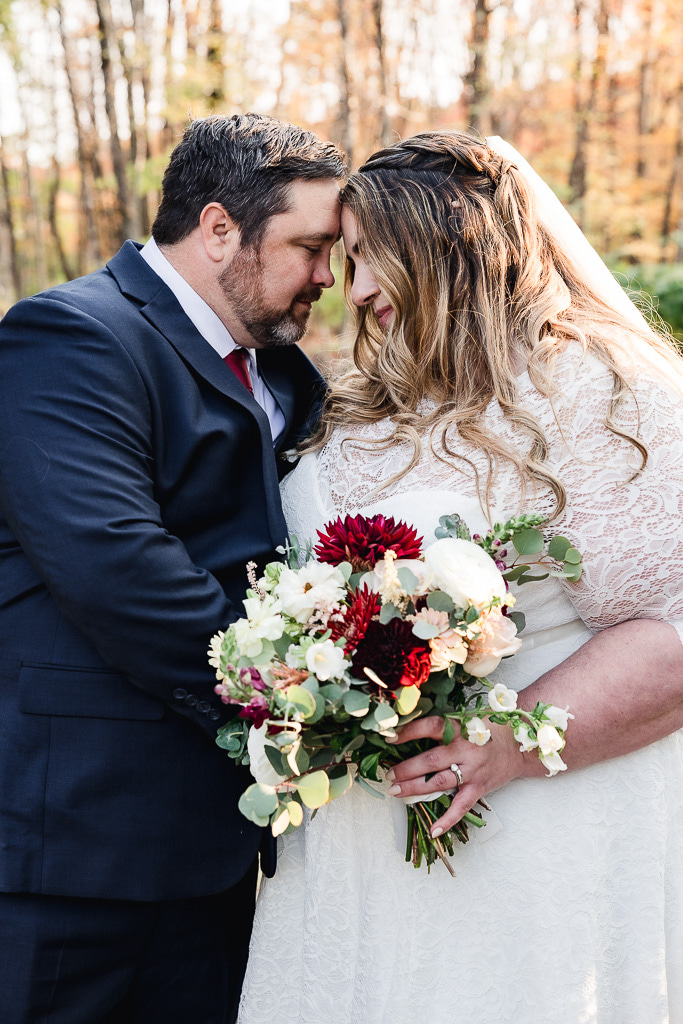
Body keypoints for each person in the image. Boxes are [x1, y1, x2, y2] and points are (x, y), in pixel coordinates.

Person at [238, 131, 683, 1024]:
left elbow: (670, 628)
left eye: (373, 260)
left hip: (533, 838)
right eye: (347, 260)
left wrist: (504, 745)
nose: (356, 292)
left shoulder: (598, 388)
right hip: (353, 839)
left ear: (448, 250)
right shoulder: (356, 408)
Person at [0, 112, 345, 1024]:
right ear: (220, 227)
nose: (325, 277)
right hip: (77, 840)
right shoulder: (71, 336)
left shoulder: (282, 372)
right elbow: (116, 563)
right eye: (309, 247)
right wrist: (296, 705)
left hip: (217, 843)